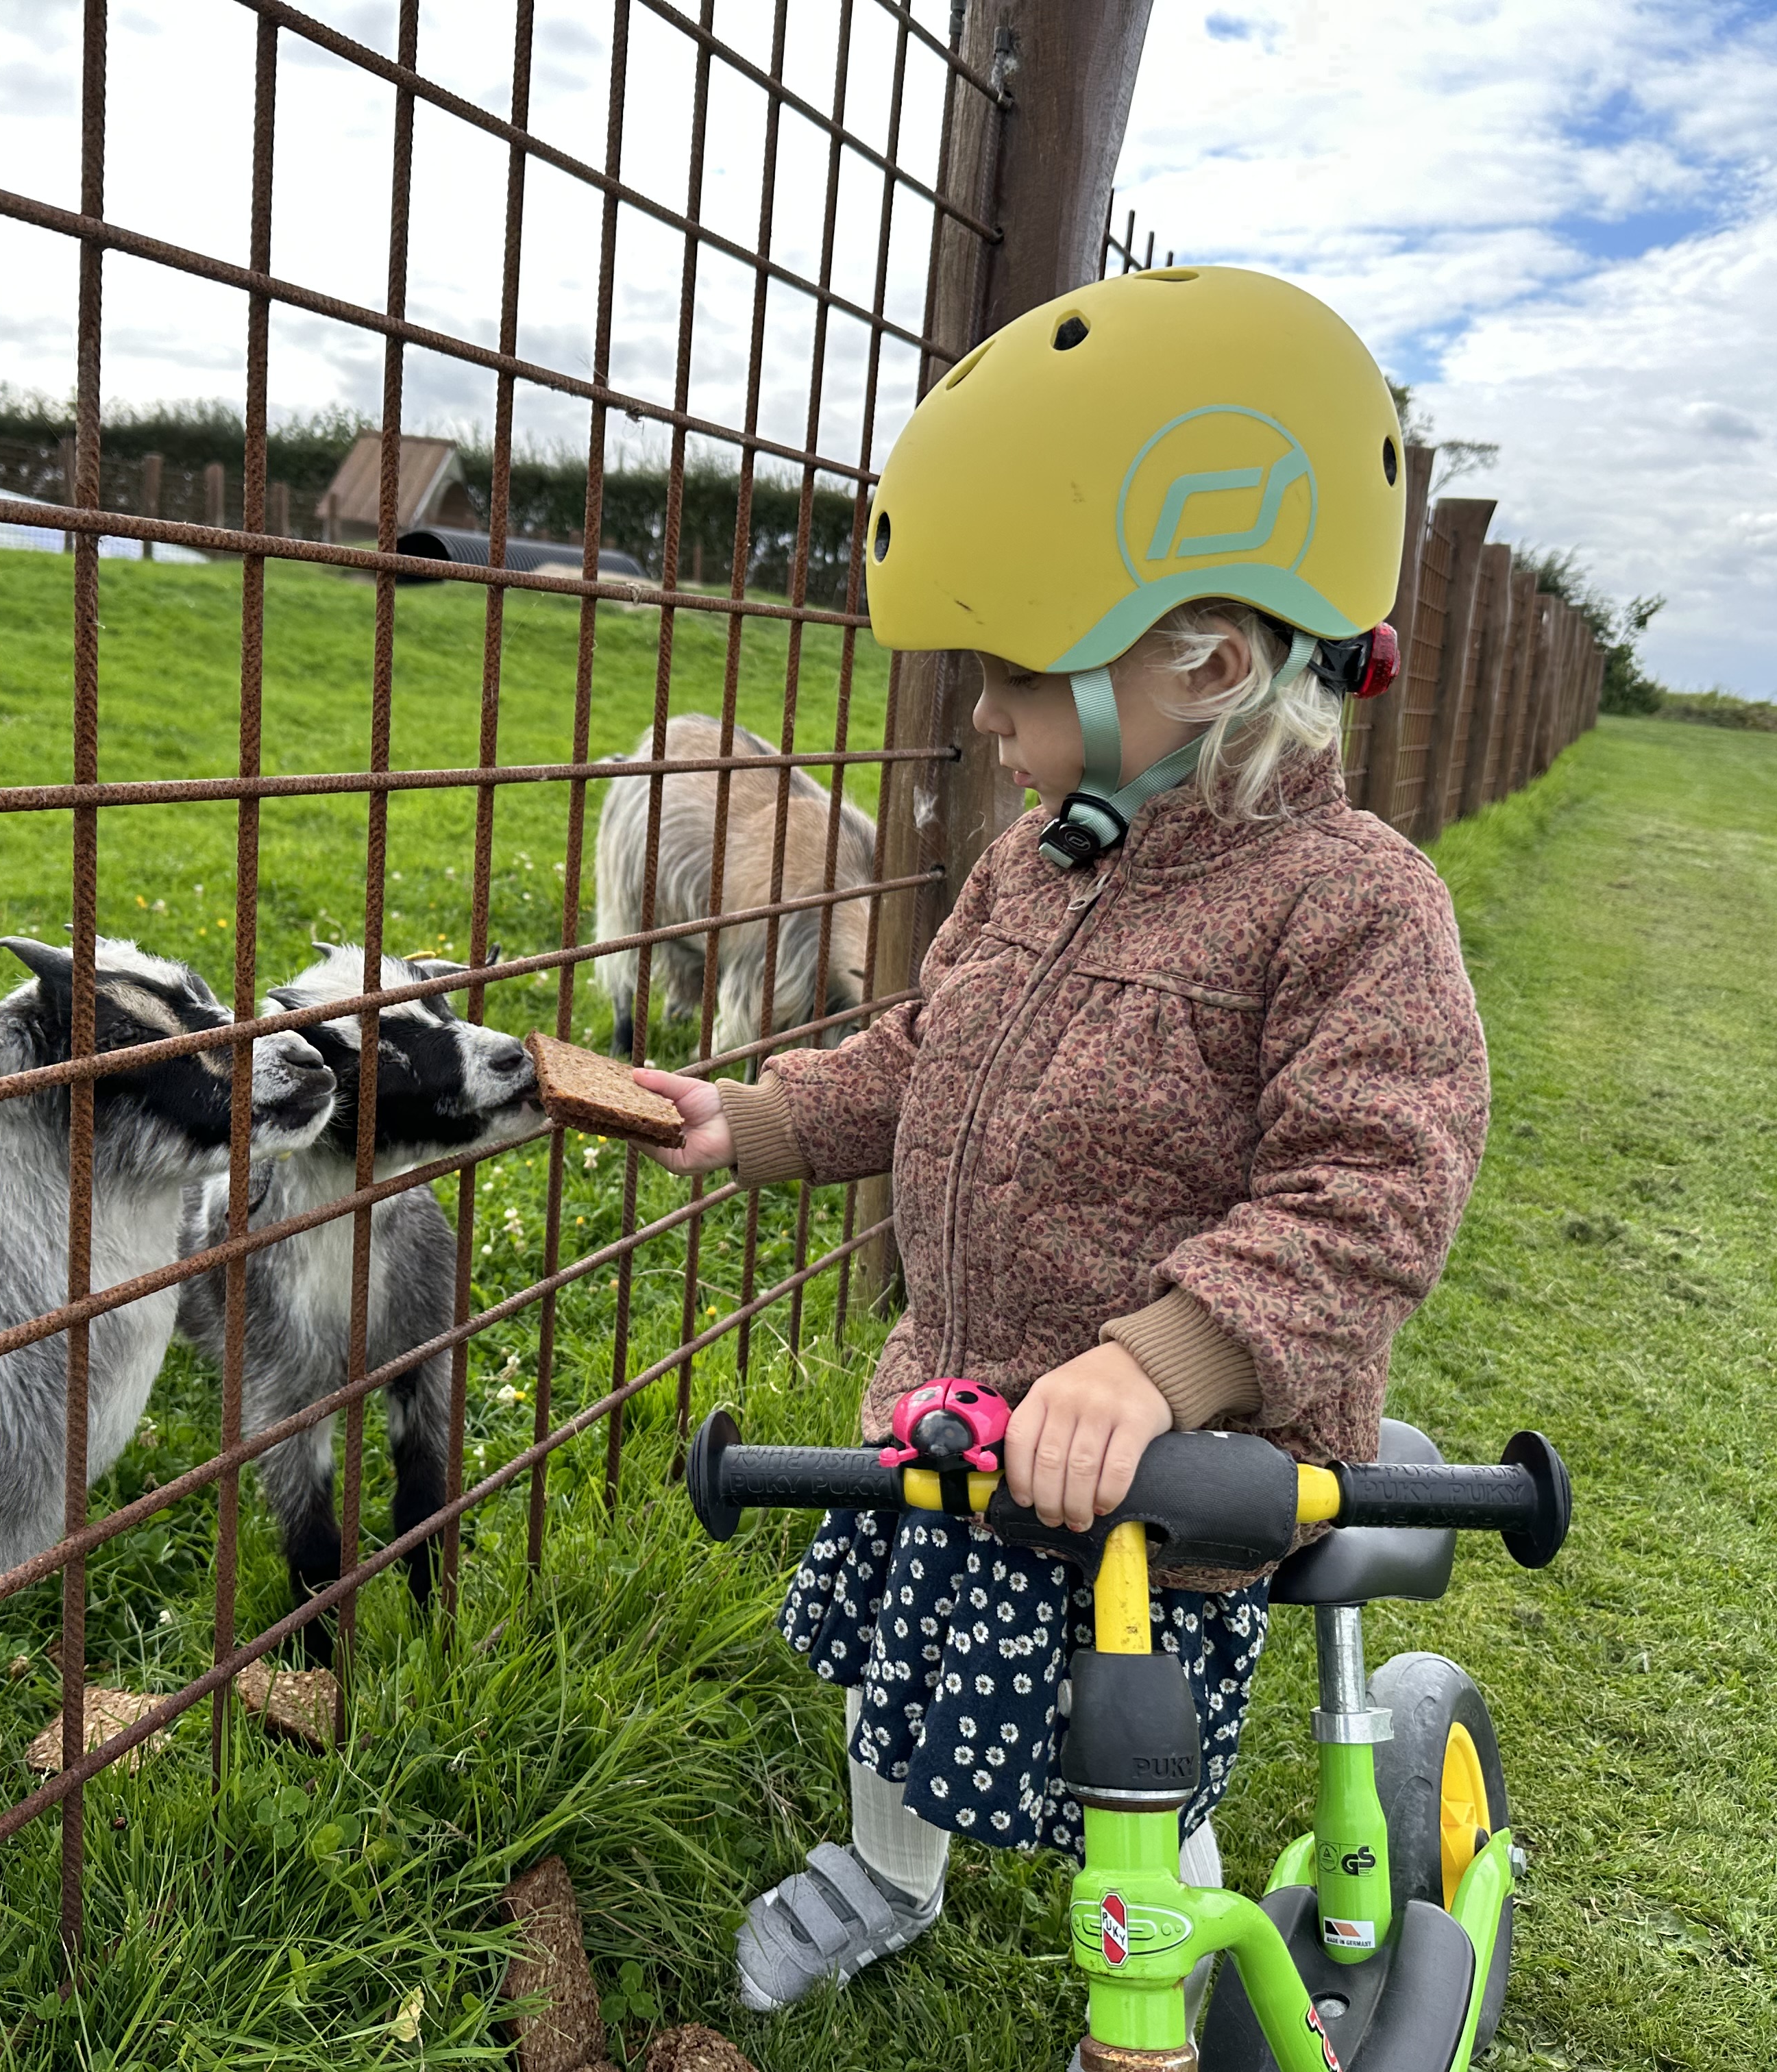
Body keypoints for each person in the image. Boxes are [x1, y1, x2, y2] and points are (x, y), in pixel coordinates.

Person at [633, 266, 1491, 2014]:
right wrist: (765, 1114)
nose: (984, 715)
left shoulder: (1351, 909)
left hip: (1158, 1487)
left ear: (1211, 658)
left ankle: (1150, 1988)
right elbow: (930, 1051)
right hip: (956, 1410)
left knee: (1135, 1764)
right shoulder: (1039, 862)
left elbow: (1375, 1190)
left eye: (1019, 670)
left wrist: (1166, 1364)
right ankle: (889, 1873)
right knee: (899, 1689)